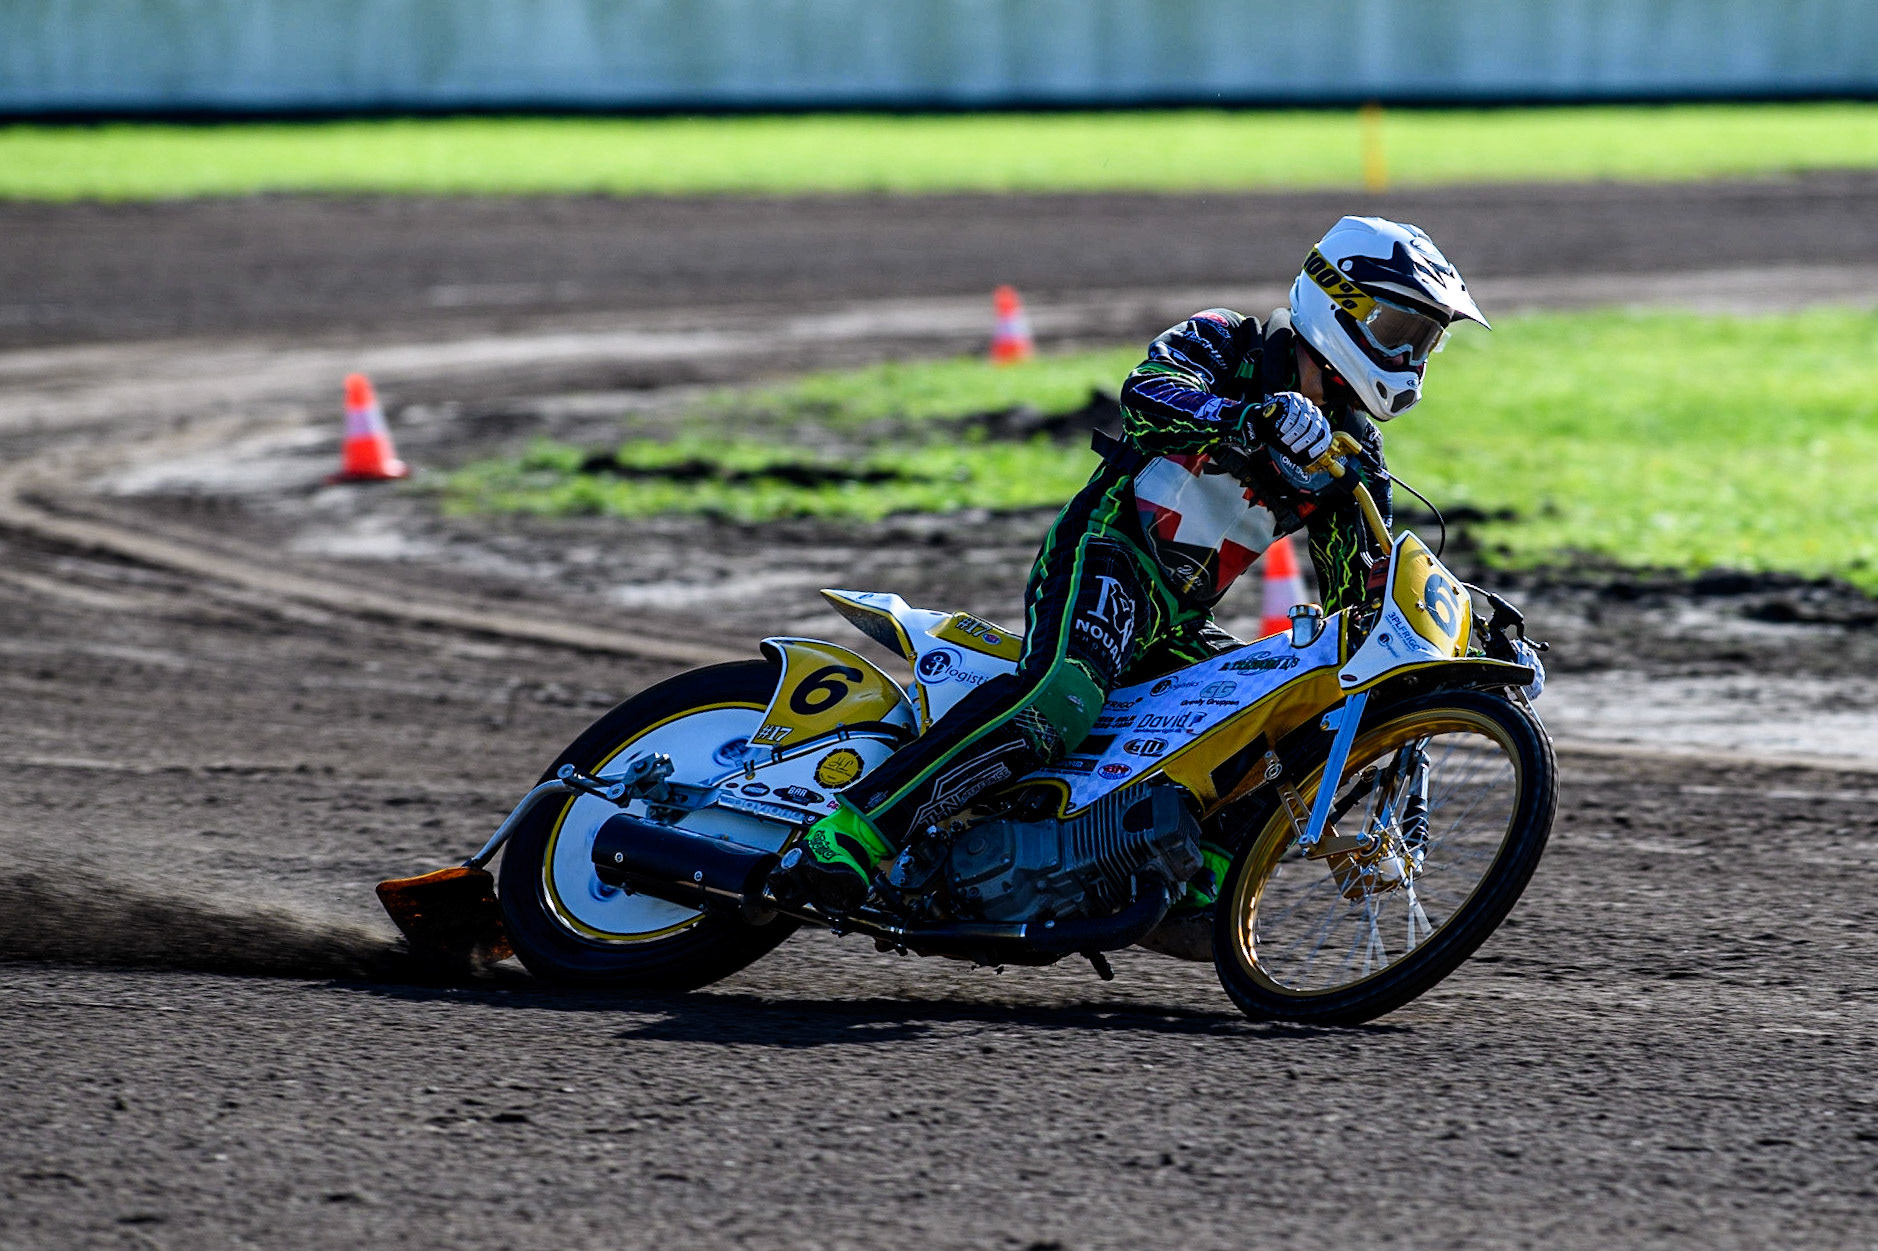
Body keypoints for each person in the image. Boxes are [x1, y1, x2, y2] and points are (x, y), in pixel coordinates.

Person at [770, 215, 1489, 943]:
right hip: (1108, 551)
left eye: (1425, 340)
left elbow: (1353, 604)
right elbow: (1145, 396)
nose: (1412, 356)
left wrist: (1426, 658)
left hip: (1177, 619)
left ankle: (1207, 865)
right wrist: (1250, 416)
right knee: (1063, 695)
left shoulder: (1351, 454)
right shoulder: (1228, 341)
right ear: (1339, 303)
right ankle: (856, 829)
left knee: (1295, 705)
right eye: (1402, 330)